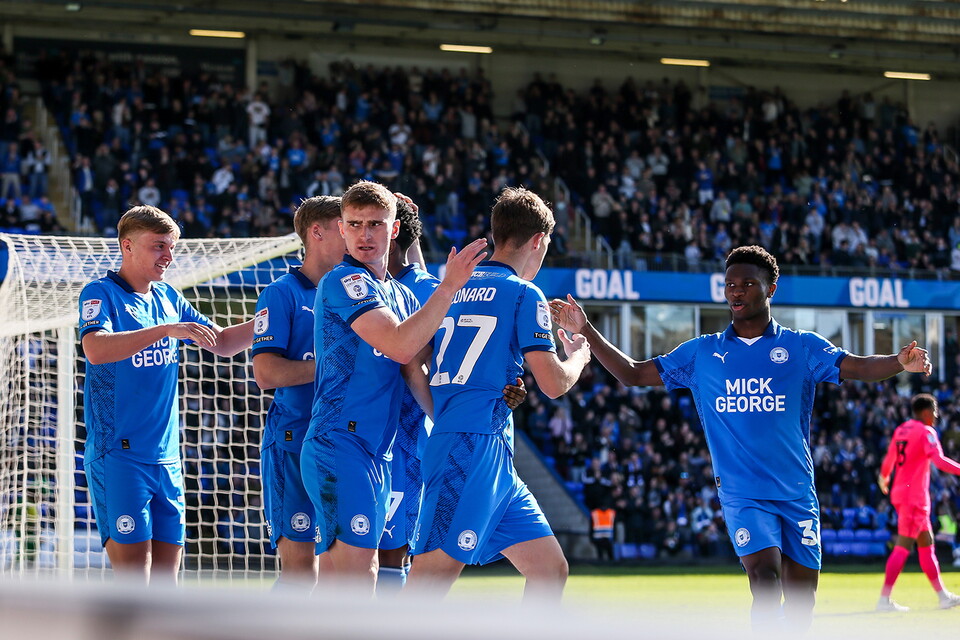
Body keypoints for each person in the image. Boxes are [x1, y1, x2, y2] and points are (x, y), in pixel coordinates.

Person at [549, 244, 931, 629]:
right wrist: (587, 331)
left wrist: (898, 363)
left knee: (801, 605)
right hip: (742, 493)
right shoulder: (702, 353)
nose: (736, 291)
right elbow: (633, 373)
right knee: (764, 580)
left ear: (771, 289)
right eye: (730, 284)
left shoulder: (801, 346)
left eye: (748, 283)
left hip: (796, 493)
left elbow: (858, 367)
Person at [406, 186, 591, 601]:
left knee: (549, 569)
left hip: (486, 447)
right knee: (429, 580)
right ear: (539, 240)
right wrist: (579, 354)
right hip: (470, 446)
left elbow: (412, 363)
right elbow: (554, 383)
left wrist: (446, 410)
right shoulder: (524, 293)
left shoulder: (451, 286)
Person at [300, 181, 487, 593]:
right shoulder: (343, 281)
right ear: (343, 230)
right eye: (355, 224)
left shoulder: (399, 294)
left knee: (334, 582)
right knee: (360, 577)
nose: (365, 234)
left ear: (395, 229)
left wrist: (450, 425)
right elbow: (401, 346)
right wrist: (449, 285)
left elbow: (413, 374)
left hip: (377, 452)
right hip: (339, 443)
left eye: (375, 224)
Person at [79, 205, 255, 584]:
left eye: (172, 247)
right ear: (127, 245)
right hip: (119, 456)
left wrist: (271, 319)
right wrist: (164, 331)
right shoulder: (100, 293)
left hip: (167, 460)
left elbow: (222, 342)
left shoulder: (168, 297)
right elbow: (96, 348)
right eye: (159, 246)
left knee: (165, 589)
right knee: (134, 586)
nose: (169, 256)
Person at [376, 197, 526, 593]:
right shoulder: (360, 285)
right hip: (368, 434)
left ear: (391, 236)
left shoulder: (433, 290)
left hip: (409, 435)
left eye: (379, 226)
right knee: (355, 552)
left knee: (394, 551)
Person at [251, 195, 344, 590]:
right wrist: (332, 368)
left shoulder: (358, 291)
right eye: (345, 226)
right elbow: (266, 372)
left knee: (345, 571)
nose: (354, 235)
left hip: (346, 445)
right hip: (293, 440)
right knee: (301, 573)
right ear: (316, 232)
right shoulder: (281, 293)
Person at [876, 393, 960, 611]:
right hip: (914, 497)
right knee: (904, 545)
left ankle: (943, 596)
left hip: (902, 493)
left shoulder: (901, 430)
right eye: (934, 411)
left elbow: (889, 460)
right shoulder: (926, 432)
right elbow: (939, 461)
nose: (936, 416)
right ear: (925, 412)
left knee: (926, 543)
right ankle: (884, 600)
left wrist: (884, 477)